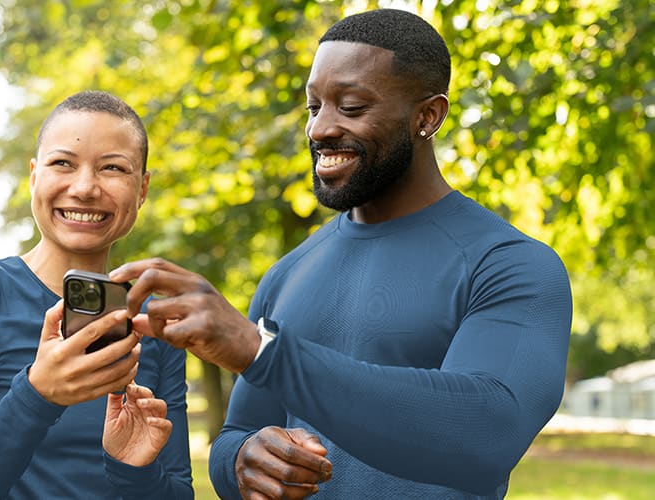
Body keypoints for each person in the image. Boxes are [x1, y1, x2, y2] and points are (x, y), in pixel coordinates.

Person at [110, 8, 572, 500]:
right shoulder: (288, 272)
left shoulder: (510, 264)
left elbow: (487, 433)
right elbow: (234, 436)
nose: (320, 130)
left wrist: (262, 352)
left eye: (350, 107)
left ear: (428, 116)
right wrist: (246, 459)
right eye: (314, 107)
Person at [0, 90, 193, 499]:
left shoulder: (152, 321)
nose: (84, 188)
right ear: (33, 176)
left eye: (112, 168)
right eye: (63, 163)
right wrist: (37, 396)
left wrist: (135, 471)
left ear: (143, 189)